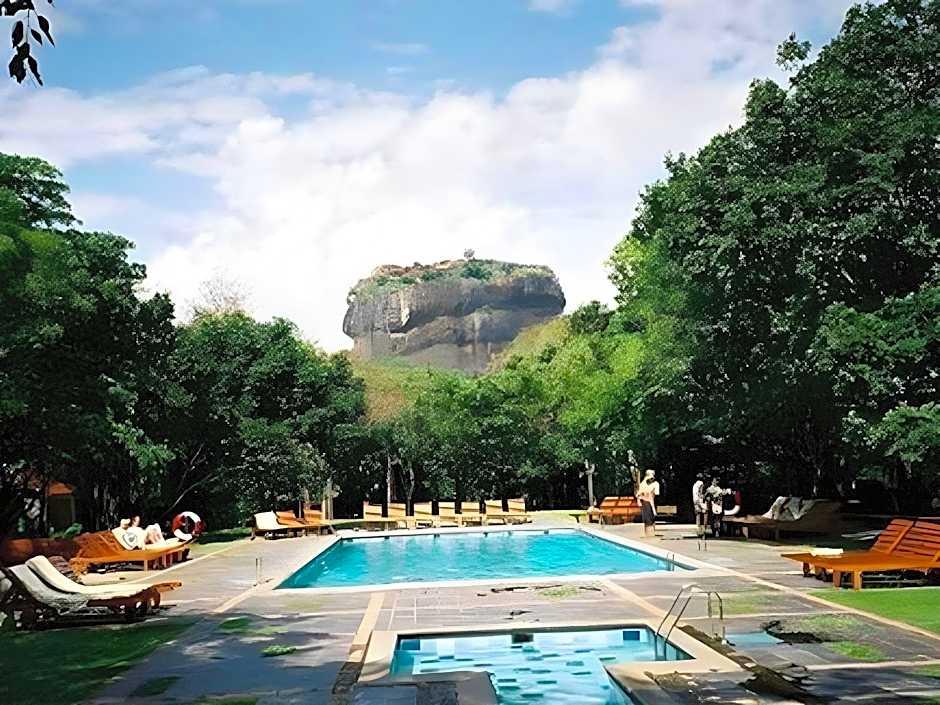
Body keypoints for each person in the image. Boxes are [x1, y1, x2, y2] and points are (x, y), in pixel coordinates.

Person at [636, 469, 660, 538]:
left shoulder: (655, 484)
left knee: (650, 519)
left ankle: (650, 533)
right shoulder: (643, 484)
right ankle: (649, 534)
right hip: (646, 503)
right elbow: (639, 494)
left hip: (650, 503)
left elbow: (656, 494)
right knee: (648, 519)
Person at [692, 473, 707, 537]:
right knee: (703, 514)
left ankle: (698, 529)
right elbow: (701, 492)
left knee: (698, 515)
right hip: (699, 500)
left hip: (696, 500)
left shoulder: (695, 485)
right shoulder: (700, 483)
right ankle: (703, 530)